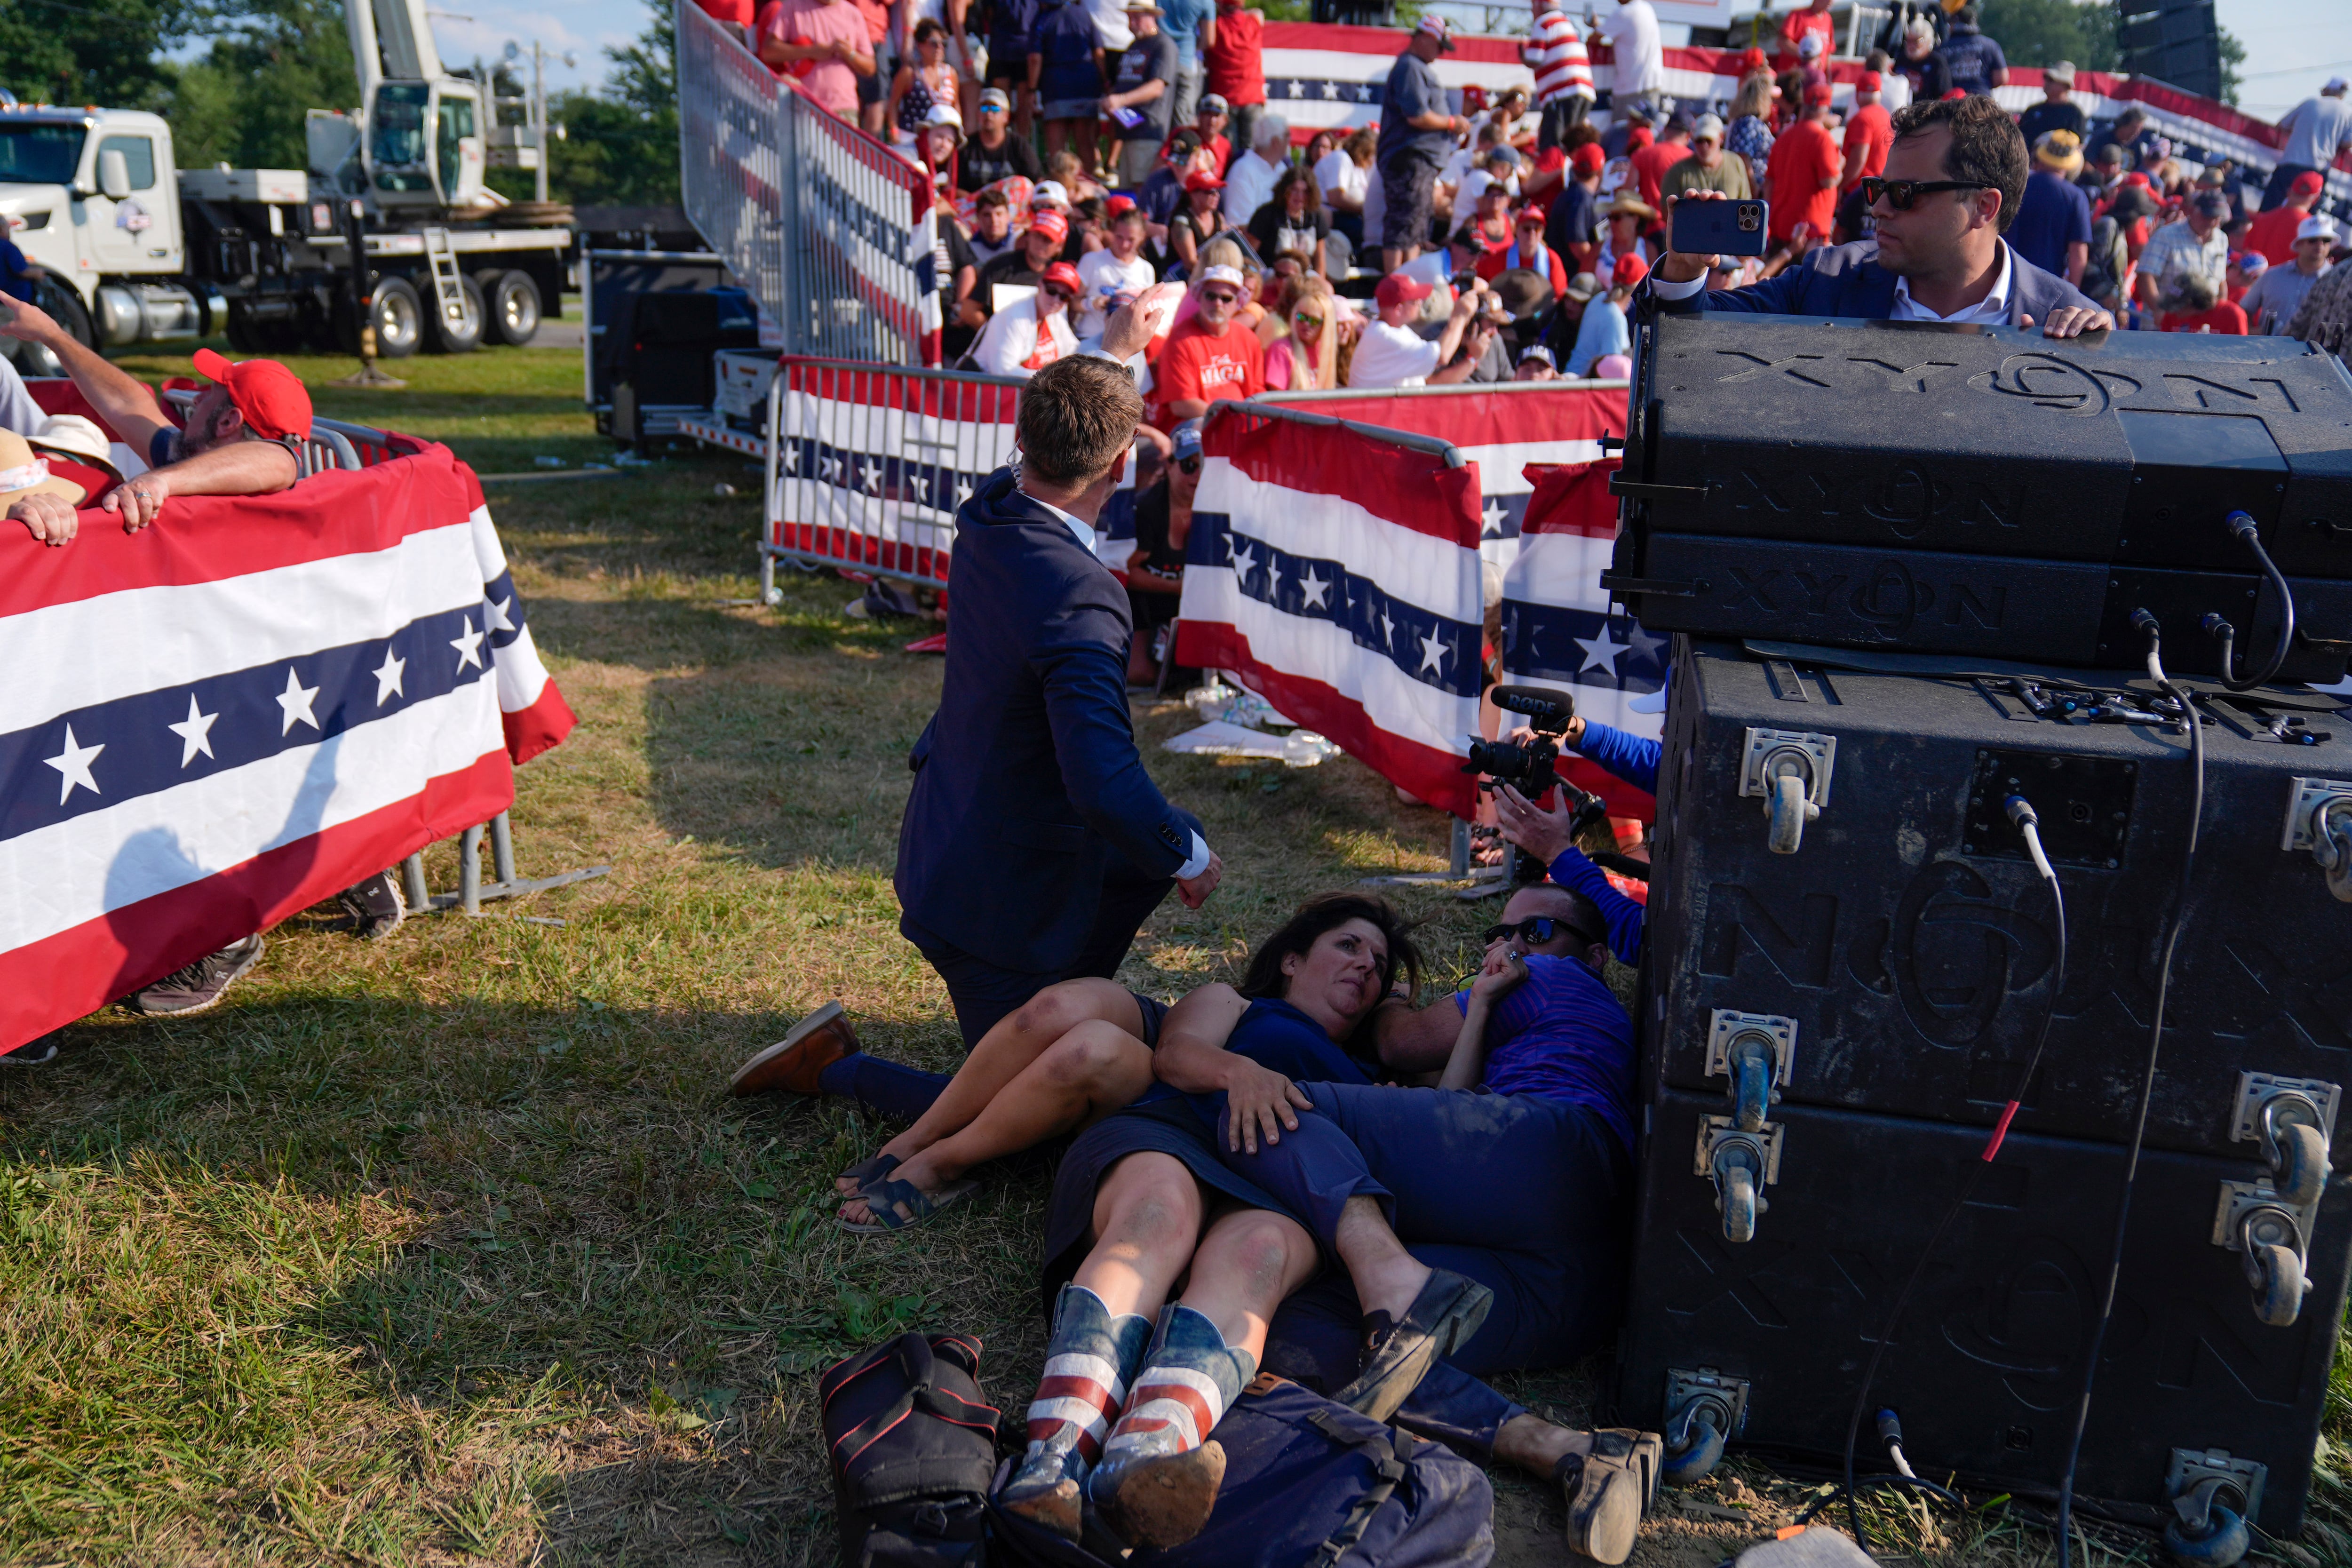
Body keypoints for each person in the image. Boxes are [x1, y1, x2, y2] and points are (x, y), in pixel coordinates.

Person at [1006, 893, 1662, 1557]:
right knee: (1308, 1330)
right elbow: (1180, 1053)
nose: (1511, 944)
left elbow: (1408, 1057)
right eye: (1502, 930)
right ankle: (1567, 1449)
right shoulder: (1246, 1006)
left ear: (1596, 955)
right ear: (1290, 959)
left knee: (1280, 1104)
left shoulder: (1548, 978)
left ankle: (1392, 1278)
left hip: (1552, 1162)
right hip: (1577, 1278)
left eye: (1536, 930)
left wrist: (1391, 1022)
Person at [884, 327, 1218, 1059]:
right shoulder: (1081, 593)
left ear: (1020, 437)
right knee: (1025, 1117)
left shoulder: (990, 513)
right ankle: (842, 1068)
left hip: (952, 845)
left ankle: (1059, 997)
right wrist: (1189, 861)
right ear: (1124, 466)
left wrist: (1112, 355)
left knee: (1167, 834)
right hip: (990, 912)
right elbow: (1100, 781)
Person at [1646, 94, 2110, 336]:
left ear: (1982, 207)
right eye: (1878, 187)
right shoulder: (1826, 282)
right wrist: (1682, 273)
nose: (1878, 207)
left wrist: (2101, 355)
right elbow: (1677, 339)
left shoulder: (2064, 323)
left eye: (1904, 193)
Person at [1377, 16, 1467, 271]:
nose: (1440, 53)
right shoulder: (1410, 67)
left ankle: (1408, 283)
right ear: (1426, 38)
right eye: (1439, 46)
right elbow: (1417, 115)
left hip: (1418, 161)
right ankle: (1395, 286)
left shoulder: (1414, 67)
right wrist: (1451, 123)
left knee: (1415, 224)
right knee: (1404, 221)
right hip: (1408, 159)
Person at [1152, 262, 1264, 422]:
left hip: (1238, 424)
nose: (1218, 304)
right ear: (1200, 296)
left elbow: (1257, 395)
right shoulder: (1181, 340)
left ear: (1238, 302)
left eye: (1226, 299)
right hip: (1196, 424)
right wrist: (1230, 421)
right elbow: (1181, 405)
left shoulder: (1249, 339)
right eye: (1211, 296)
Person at [1349, 270, 1491, 389]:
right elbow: (1442, 357)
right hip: (1374, 417)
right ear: (1399, 309)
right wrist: (1460, 315)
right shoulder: (1383, 336)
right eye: (1415, 300)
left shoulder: (1398, 330)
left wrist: (1472, 358)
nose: (1420, 302)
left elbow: (1430, 379)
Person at [757, 0, 878, 120]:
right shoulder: (792, 6)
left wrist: (850, 54)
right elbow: (768, 51)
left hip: (844, 110)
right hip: (803, 107)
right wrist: (812, 51)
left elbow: (870, 68)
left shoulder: (854, 14)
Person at [1101, 0, 1178, 183]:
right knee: (1126, 191)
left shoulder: (1163, 45)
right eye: (1129, 17)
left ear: (1152, 16)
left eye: (1136, 17)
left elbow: (1157, 87)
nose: (1131, 23)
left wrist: (1121, 100)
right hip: (1127, 131)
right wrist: (1111, 102)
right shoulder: (1134, 46)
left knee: (1141, 187)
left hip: (1148, 131)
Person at [1764, 83, 1841, 256]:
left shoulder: (1784, 136)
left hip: (1780, 228)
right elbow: (1828, 181)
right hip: (1809, 236)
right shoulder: (1823, 139)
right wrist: (1841, 166)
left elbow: (1769, 183)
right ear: (1827, 108)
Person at [2008, 129, 2092, 286]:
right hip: (2045, 285)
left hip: (2005, 275)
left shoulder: (2016, 185)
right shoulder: (2076, 197)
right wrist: (2072, 294)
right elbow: (2078, 253)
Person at [2136, 189, 2231, 323]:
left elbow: (2221, 282)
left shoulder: (2221, 239)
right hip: (2167, 322)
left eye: (2216, 218)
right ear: (2193, 211)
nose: (2211, 223)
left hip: (2203, 326)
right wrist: (2159, 310)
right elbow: (2145, 276)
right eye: (2207, 217)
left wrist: (2220, 314)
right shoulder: (2166, 236)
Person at [973, 260, 1082, 374]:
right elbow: (1003, 370)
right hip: (983, 387)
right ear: (1040, 285)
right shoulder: (1014, 317)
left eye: (1064, 297)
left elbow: (1074, 350)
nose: (1056, 301)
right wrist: (1051, 381)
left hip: (1033, 387)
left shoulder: (1055, 317)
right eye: (1051, 291)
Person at [1030, 0, 1105, 165]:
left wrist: (1032, 89)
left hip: (1056, 86)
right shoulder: (1084, 14)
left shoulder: (1043, 19)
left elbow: (1035, 58)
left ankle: (1060, 185)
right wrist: (1105, 80)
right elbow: (1099, 53)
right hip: (1086, 85)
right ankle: (1088, 184)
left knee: (1056, 151)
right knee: (1085, 144)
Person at [2266, 78, 2352, 212]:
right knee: (2306, 219)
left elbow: (2282, 125)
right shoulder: (2348, 113)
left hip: (2290, 164)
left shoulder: (2310, 103)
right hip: (2317, 171)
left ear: (2328, 90)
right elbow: (2347, 143)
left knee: (2270, 211)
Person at [2242, 216, 2336, 335]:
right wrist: (2249, 331)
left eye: (2326, 240)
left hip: (2312, 353)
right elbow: (2245, 310)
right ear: (2300, 244)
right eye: (2313, 239)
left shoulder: (2337, 282)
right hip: (2267, 350)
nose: (2320, 244)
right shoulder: (2272, 275)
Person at [977, 206, 1071, 323]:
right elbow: (970, 311)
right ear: (1028, 236)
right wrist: (995, 333)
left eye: (1048, 240)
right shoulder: (999, 267)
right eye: (1037, 235)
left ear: (1060, 247)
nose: (1040, 243)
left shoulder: (1059, 278)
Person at [1076, 205, 1156, 341]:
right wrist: (1093, 303)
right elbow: (1073, 302)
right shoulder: (1091, 260)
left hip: (1126, 343)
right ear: (1112, 233)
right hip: (1090, 338)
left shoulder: (1146, 269)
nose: (1124, 245)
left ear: (1142, 237)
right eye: (1119, 237)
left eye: (1131, 240)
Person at [1526, 0, 1595, 151]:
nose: (1532, 10)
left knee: (1553, 147)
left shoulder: (1544, 22)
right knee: (1571, 144)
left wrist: (1521, 54)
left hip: (1562, 93)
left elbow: (1533, 58)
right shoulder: (1568, 22)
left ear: (1539, 4)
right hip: (1583, 91)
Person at [1261, 273, 1348, 390]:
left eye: (1313, 320)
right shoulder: (1281, 349)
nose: (1306, 324)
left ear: (1326, 324)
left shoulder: (1324, 348)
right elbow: (1276, 399)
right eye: (1301, 317)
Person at [1202, 0, 1265, 158]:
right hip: (1252, 97)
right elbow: (1259, 13)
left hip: (1224, 100)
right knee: (1254, 153)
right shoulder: (1253, 22)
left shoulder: (1215, 26)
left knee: (1227, 153)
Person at [1247, 166, 1331, 278]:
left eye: (1305, 192)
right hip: (1273, 274)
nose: (1300, 196)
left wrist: (1320, 283)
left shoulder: (1316, 216)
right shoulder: (1267, 214)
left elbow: (1320, 258)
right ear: (1285, 191)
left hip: (1305, 275)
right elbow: (1250, 254)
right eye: (1295, 190)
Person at [1565, 254, 1638, 376]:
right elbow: (1615, 371)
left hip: (1572, 376)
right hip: (1581, 386)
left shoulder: (1599, 298)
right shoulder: (1615, 317)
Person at [961, 86, 1044, 190]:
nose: (989, 114)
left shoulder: (1019, 145)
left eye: (995, 109)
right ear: (978, 114)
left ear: (1006, 116)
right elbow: (955, 188)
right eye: (984, 108)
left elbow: (1038, 181)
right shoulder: (966, 147)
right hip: (974, 203)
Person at [1478, 202, 1570, 296]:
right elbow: (1479, 277)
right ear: (1516, 230)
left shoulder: (1552, 259)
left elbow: (1559, 295)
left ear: (1543, 232)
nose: (1532, 233)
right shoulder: (1501, 257)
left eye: (1537, 229)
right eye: (1527, 229)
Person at [1220, 112, 1289, 230]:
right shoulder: (1243, 171)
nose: (1290, 141)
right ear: (1276, 142)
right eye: (1287, 135)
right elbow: (1239, 226)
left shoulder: (1281, 168)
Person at [1661, 114, 1751, 203]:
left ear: (1721, 137)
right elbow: (1669, 212)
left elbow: (1745, 203)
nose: (1704, 146)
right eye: (1699, 141)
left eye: (1709, 140)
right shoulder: (1678, 171)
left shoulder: (1736, 163)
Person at [1547, 141, 1605, 275]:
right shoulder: (1581, 198)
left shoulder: (1573, 194)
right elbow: (1577, 244)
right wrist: (1596, 269)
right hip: (1572, 276)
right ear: (1601, 170)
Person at [2246, 170, 2327, 267]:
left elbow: (2246, 250)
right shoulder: (2310, 227)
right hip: (2283, 280)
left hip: (2254, 278)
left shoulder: (2264, 218)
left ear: (2289, 192)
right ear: (2317, 199)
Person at [1600, 0, 1662, 123]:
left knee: (1623, 133)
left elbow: (1594, 40)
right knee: (1644, 136)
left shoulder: (1623, 12)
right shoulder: (1647, 8)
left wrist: (1597, 27)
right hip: (1650, 84)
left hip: (1631, 87)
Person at [1318, 127, 1375, 253]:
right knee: (1368, 232)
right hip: (1332, 215)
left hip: (1346, 216)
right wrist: (1365, 210)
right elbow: (1336, 198)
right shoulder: (1341, 159)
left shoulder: (1356, 168)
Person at [1627, 111, 1692, 215]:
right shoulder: (1693, 159)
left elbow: (1628, 193)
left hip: (1649, 224)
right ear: (1689, 135)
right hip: (1681, 225)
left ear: (1666, 130)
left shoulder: (1642, 154)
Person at [1724, 71, 1776, 194]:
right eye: (1770, 98)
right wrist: (1754, 188)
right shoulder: (1748, 123)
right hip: (1751, 191)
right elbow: (1743, 158)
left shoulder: (1743, 121)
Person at [1160, 0, 1209, 127]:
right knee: (1183, 120)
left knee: (1159, 115)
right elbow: (1209, 39)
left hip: (1160, 62)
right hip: (1187, 62)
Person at [1937, 3, 2004, 96]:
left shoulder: (1942, 48)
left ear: (1953, 23)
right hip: (1982, 102)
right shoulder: (1990, 45)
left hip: (1952, 103)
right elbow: (2002, 78)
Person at [1167, 167, 1229, 268]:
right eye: (1211, 191)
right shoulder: (1181, 223)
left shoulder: (1218, 217)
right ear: (1193, 194)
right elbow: (1191, 263)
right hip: (1184, 280)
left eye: (1218, 190)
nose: (1217, 195)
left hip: (1212, 274)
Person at [2018, 59, 2084, 150]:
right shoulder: (2033, 111)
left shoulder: (2074, 113)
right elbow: (2019, 140)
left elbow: (2078, 147)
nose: (2047, 83)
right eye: (2046, 78)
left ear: (2066, 86)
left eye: (2052, 80)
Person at [1892, 15, 1950, 105]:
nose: (1911, 46)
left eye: (1916, 42)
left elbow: (1944, 96)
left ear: (1928, 41)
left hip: (1926, 113)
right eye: (1909, 41)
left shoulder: (1937, 63)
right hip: (1902, 112)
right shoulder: (1902, 59)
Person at [966, 184, 1019, 265]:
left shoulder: (1019, 240)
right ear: (978, 218)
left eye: (999, 214)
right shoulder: (971, 248)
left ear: (1008, 216)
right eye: (987, 215)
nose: (994, 221)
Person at [1776, 0, 1832, 70]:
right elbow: (1782, 43)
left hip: (1816, 77)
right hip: (1795, 76)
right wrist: (1808, 57)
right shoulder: (1798, 14)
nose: (1831, 1)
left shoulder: (1828, 19)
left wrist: (1828, 78)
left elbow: (1828, 52)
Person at [1191, 92, 1233, 174]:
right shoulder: (1185, 136)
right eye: (1208, 114)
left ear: (1225, 121)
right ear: (1200, 116)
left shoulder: (1226, 146)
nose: (1212, 120)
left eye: (1217, 115)